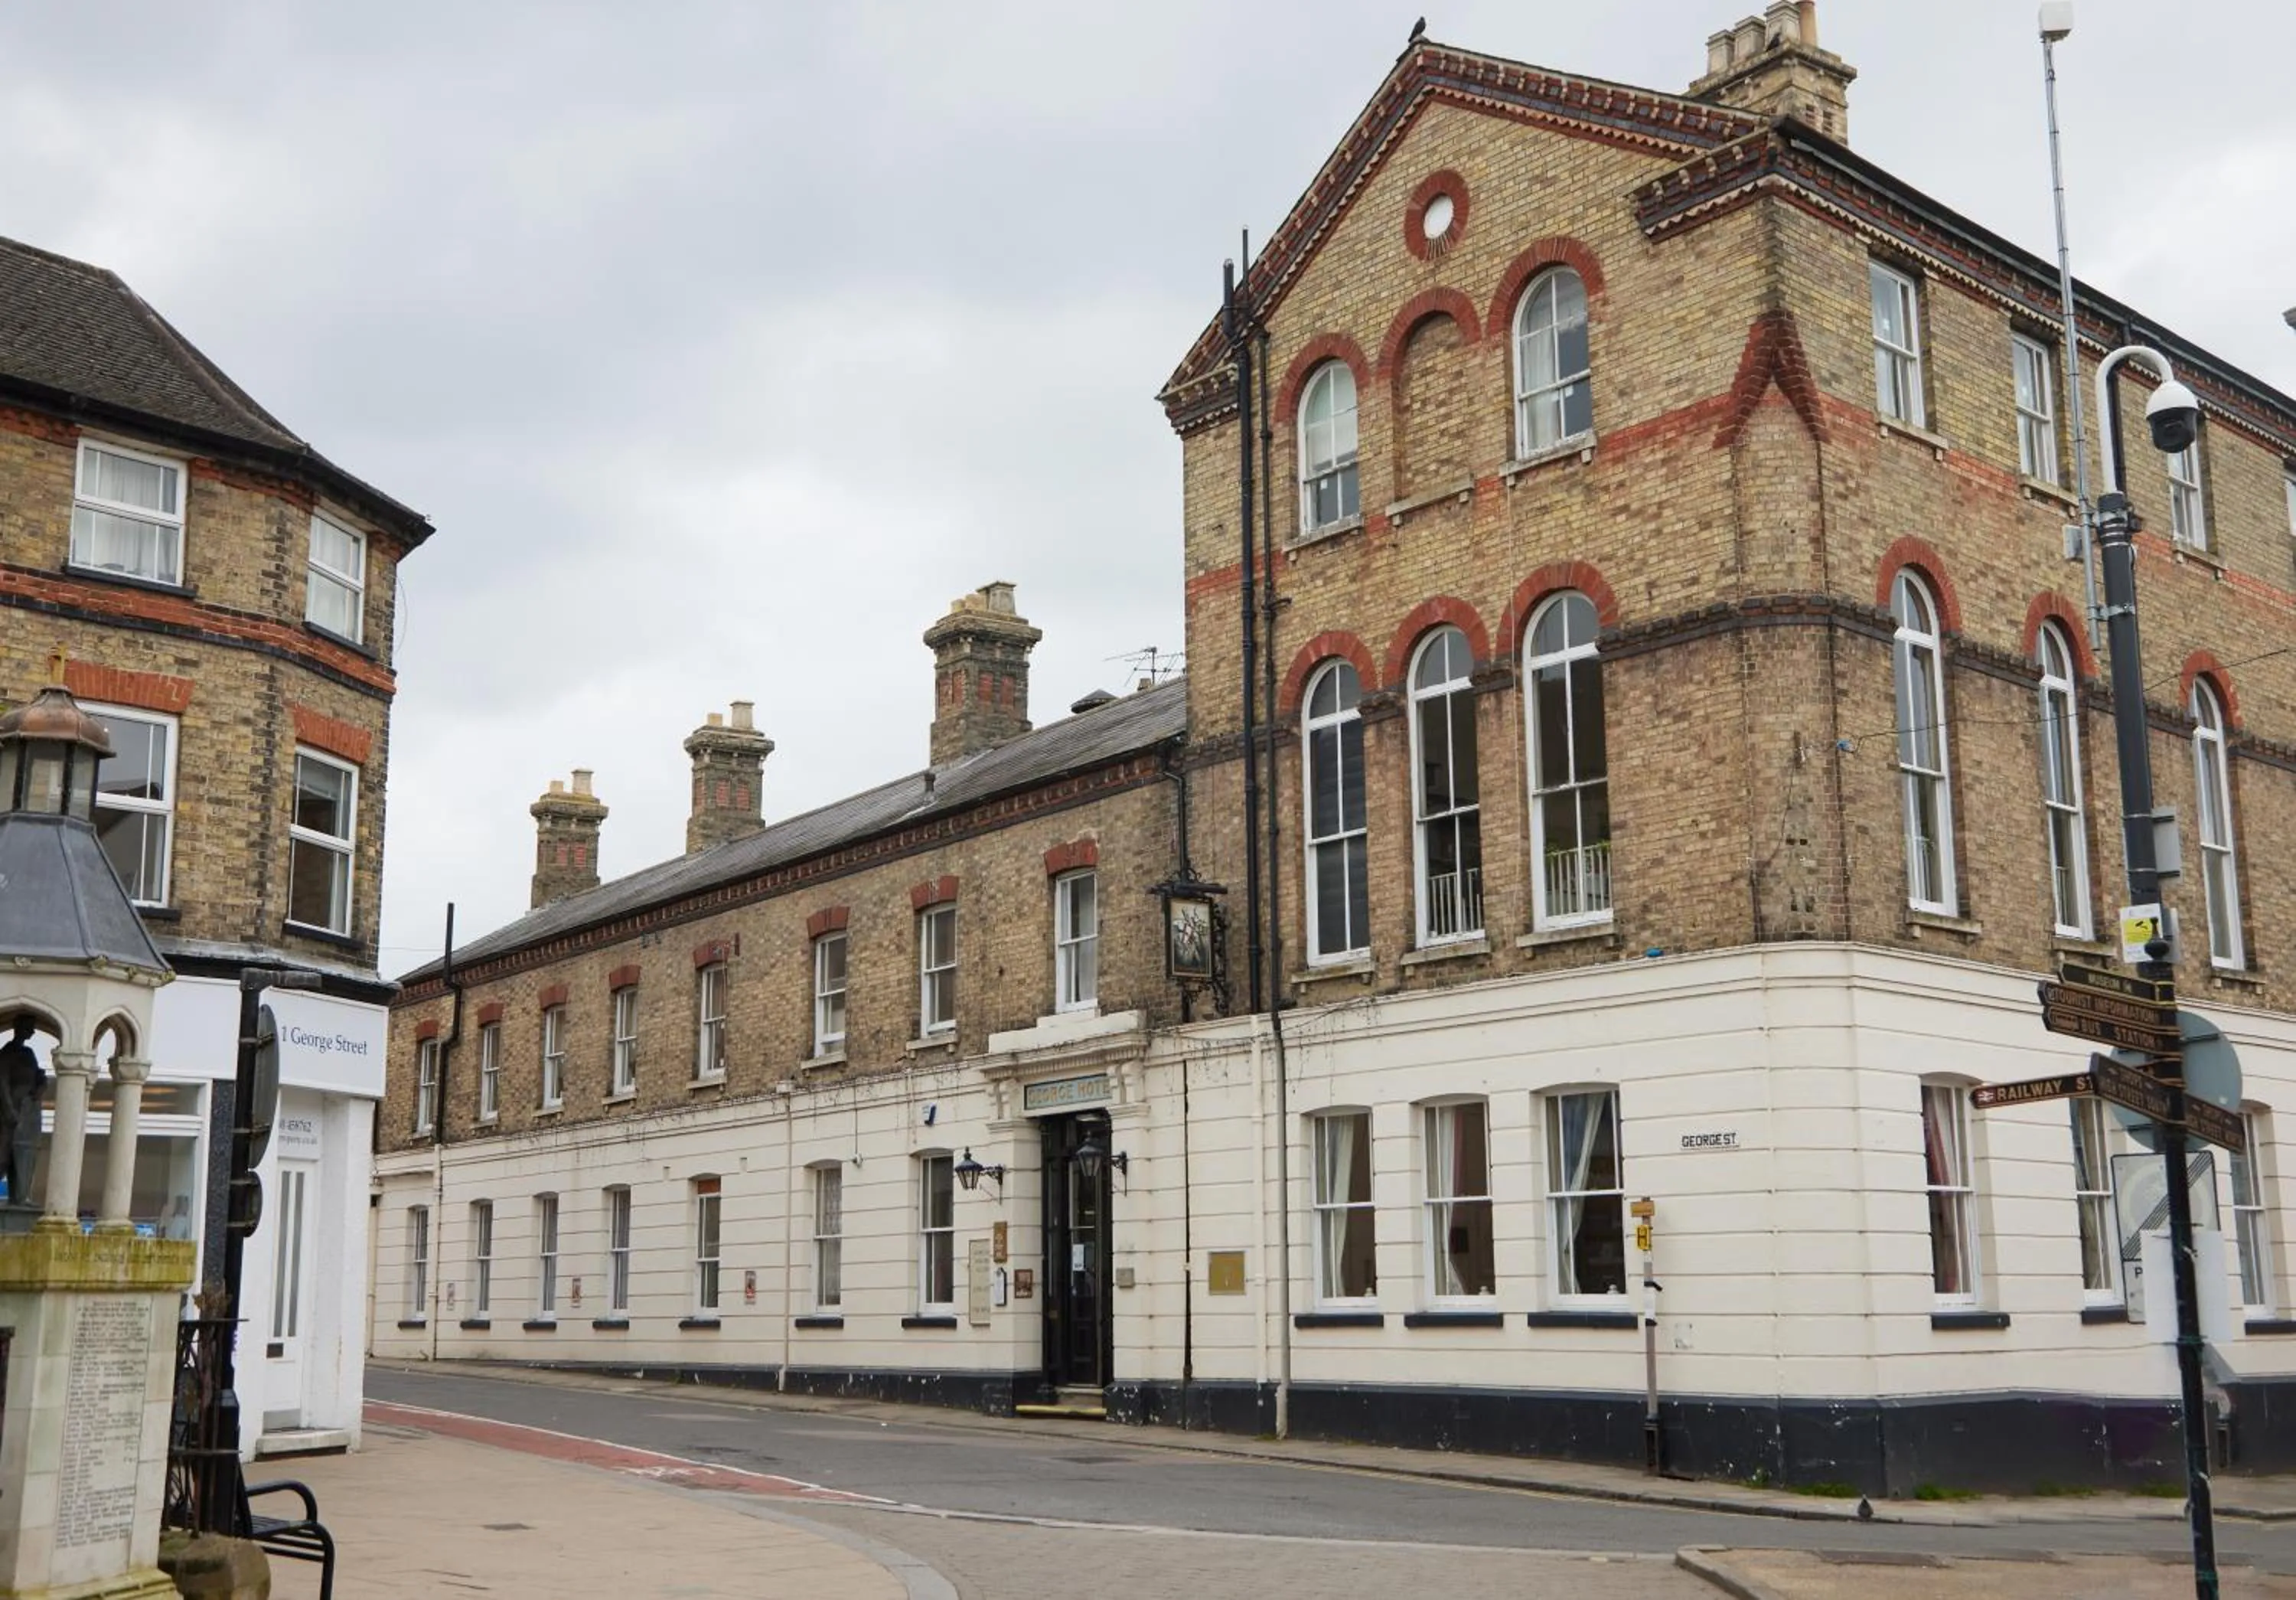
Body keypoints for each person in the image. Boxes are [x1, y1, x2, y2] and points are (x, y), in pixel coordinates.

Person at [0, 1017, 45, 1208]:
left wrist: (40, 1084)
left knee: (25, 1152)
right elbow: (2, 1082)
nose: (32, 1032)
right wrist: (8, 1109)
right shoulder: (8, 1053)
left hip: (29, 1109)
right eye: (29, 1028)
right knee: (4, 1154)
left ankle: (21, 1196)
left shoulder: (29, 1053)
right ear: (18, 1028)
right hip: (11, 1110)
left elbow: (36, 1076)